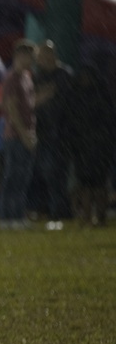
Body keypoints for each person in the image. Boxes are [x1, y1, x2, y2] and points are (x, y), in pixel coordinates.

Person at [32, 40, 74, 230]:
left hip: (61, 134)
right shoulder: (39, 76)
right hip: (43, 132)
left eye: (43, 56)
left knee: (56, 174)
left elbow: (63, 101)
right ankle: (51, 210)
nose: (41, 60)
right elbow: (34, 100)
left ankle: (59, 212)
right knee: (46, 173)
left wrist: (41, 97)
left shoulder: (64, 74)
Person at [68, 63, 116, 227]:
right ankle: (88, 216)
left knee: (97, 183)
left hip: (97, 147)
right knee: (87, 184)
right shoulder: (80, 96)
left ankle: (99, 217)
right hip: (85, 147)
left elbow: (109, 122)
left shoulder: (98, 96)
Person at [0, 40, 38, 231]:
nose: (32, 60)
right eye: (30, 56)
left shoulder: (27, 77)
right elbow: (12, 109)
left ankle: (19, 216)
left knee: (23, 179)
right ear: (19, 56)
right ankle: (7, 218)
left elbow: (29, 105)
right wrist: (23, 135)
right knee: (12, 178)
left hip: (27, 135)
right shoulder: (12, 79)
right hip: (15, 136)